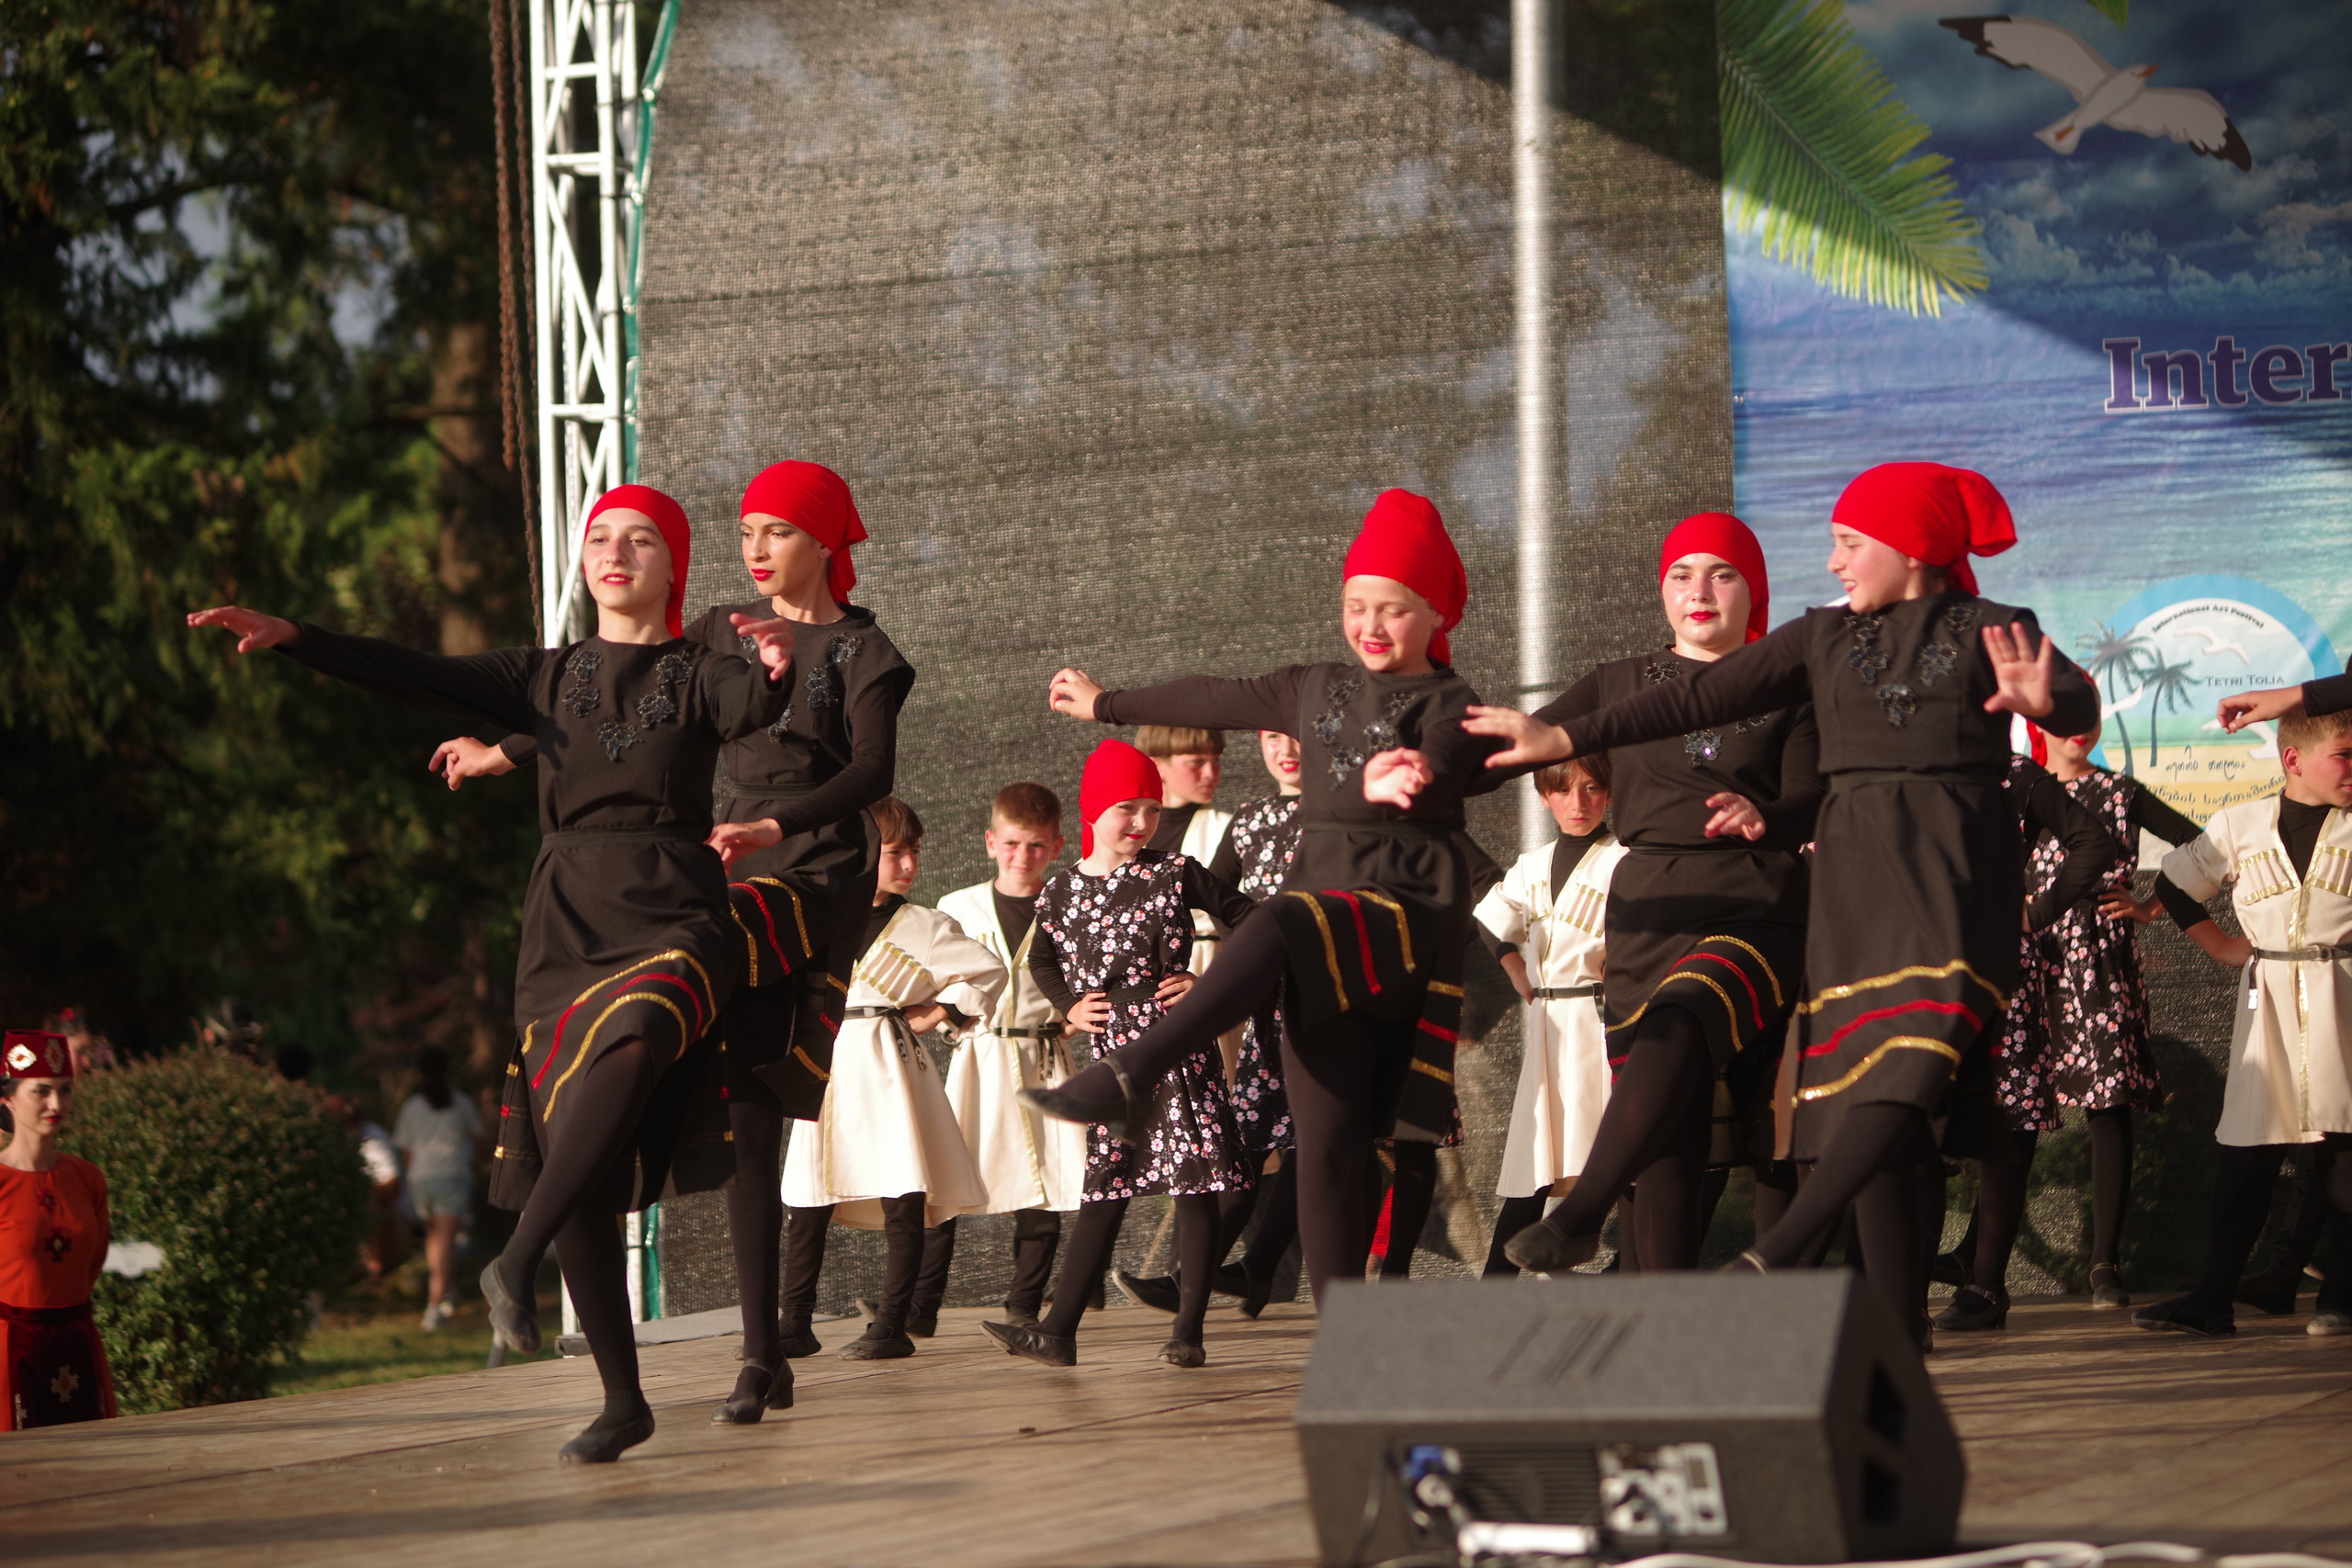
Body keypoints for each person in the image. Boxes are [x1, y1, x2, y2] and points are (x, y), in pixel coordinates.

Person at [189, 482, 794, 1462]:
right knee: (575, 1159)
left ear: (673, 565)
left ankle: (514, 1260)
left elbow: (749, 701)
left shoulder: (703, 666)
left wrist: (769, 669)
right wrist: (295, 633)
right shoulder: (543, 676)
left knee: (643, 1027)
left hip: (674, 902)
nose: (616, 552)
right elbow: (413, 671)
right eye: (601, 537)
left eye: (641, 540)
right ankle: (621, 1400)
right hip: (563, 919)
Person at [1450, 464, 2100, 1343]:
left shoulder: (1992, 626)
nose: (1833, 561)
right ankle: (1824, 1297)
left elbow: (2078, 696)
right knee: (1862, 1092)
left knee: (1904, 1072)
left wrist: (2047, 698)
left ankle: (1780, 1251)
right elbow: (1697, 693)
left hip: (1949, 870)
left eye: (1848, 542)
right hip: (1856, 886)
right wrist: (1564, 736)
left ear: (1910, 548)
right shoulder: (1821, 637)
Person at [435, 461, 912, 1425]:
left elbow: (870, 773)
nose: (755, 550)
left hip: (806, 862)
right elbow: (614, 704)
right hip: (717, 851)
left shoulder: (866, 653)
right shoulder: (716, 633)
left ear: (825, 543)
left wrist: (779, 830)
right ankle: (762, 1352)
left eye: (776, 532)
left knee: (720, 968)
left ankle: (722, 1321)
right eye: (743, 534)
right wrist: (507, 750)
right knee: (742, 1111)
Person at [1020, 490, 1508, 1306]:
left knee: (1281, 912)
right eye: (1357, 605)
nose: (1372, 626)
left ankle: (1132, 1072)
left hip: (1394, 920)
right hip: (1323, 942)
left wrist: (1405, 772)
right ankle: (1344, 1339)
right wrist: (1107, 703)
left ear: (1433, 612)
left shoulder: (1449, 701)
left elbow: (1448, 753)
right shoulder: (1311, 685)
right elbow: (1211, 695)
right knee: (1326, 1145)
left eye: (1394, 608)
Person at [1470, 512, 1825, 1278]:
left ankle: (1580, 1213)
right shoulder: (1619, 681)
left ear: (1751, 590)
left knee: (1696, 1033)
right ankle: (1663, 1336)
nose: (1700, 590)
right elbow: (1521, 747)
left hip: (1751, 907)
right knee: (1666, 1136)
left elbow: (1813, 797)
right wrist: (1425, 771)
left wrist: (1767, 815)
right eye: (1681, 575)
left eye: (1722, 573)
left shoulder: (1790, 686)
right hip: (1646, 917)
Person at [983, 739, 1254, 1368]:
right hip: (1110, 1055)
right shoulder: (1059, 891)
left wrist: (1207, 984)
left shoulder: (1174, 871)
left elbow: (1251, 918)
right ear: (1094, 810)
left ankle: (1188, 1331)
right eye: (1127, 807)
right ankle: (1058, 1329)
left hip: (1175, 1045)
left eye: (1152, 810)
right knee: (1105, 1186)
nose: (1141, 822)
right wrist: (1069, 1005)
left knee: (1195, 1182)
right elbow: (1043, 958)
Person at [1936, 720, 2205, 1329]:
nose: (2075, 730)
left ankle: (2104, 1261)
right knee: (2014, 1103)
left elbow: (2202, 844)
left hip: (2097, 956)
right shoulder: (2012, 784)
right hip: (2028, 952)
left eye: (2086, 716)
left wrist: (2150, 906)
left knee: (2106, 1099)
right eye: (2059, 719)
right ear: (2036, 728)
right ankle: (1979, 1258)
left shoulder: (2118, 791)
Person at [2132, 705, 2352, 1338]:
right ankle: (2213, 1297)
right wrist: (2222, 946)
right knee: (2248, 1146)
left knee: (2342, 1146)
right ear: (2294, 759)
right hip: (2270, 995)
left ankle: (2342, 1292)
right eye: (2343, 754)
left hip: (2341, 992)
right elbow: (2174, 885)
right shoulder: (2242, 823)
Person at [780, 796, 1001, 1360]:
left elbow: (987, 971)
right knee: (807, 1195)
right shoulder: (821, 917)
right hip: (825, 1065)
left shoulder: (925, 925)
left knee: (904, 1192)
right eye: (894, 852)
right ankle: (794, 1323)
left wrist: (939, 1013)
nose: (908, 865)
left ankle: (892, 1325)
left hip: (886, 1067)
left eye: (914, 853)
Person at [1118, 728, 1308, 1318]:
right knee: (1245, 1138)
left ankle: (1251, 1271)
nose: (1287, 748)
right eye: (1274, 735)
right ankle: (1222, 1275)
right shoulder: (1248, 821)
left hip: (1304, 992)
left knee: (1307, 1141)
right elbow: (1228, 899)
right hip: (1248, 996)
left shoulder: (1341, 815)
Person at [935, 783, 1081, 1328]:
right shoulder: (957, 907)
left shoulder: (1069, 905)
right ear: (991, 842)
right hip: (978, 1058)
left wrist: (1070, 1018)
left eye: (1038, 846)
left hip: (1041, 1056)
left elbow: (1090, 979)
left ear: (1057, 846)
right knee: (947, 1175)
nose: (1025, 857)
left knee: (1042, 1184)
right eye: (1015, 844)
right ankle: (917, 1303)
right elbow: (938, 981)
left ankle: (1024, 1303)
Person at [1474, 756, 1626, 1276]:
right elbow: (1493, 917)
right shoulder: (1531, 865)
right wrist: (1513, 967)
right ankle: (1496, 1283)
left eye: (1591, 788)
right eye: (1563, 790)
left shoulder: (1625, 859)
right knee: (1535, 1161)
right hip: (1547, 1025)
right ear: (1544, 797)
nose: (1578, 802)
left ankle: (1629, 1272)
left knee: (1617, 1153)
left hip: (1602, 1022)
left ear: (1608, 793)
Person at [1, 1030, 119, 1430]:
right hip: (9, 1352)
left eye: (65, 1090)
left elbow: (92, 1264)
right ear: (7, 1098)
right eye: (41, 1092)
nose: (57, 1104)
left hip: (78, 1341)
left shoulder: (87, 1178)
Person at [393, 1046, 481, 1329]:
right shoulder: (460, 1103)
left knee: (436, 1239)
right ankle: (434, 1306)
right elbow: (479, 1140)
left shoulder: (412, 1108)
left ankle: (446, 1294)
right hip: (452, 1176)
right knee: (444, 1242)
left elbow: (405, 1151)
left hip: (422, 1179)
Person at [1138, 724, 1235, 977]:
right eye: (1196, 762)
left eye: (1216, 760)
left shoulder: (1228, 827)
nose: (1211, 773)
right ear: (1156, 765)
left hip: (1213, 969)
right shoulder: (1125, 831)